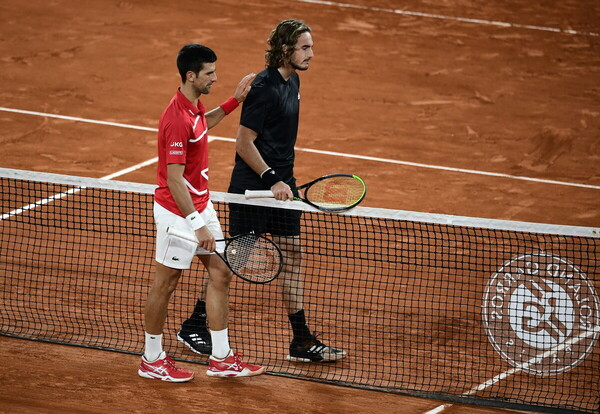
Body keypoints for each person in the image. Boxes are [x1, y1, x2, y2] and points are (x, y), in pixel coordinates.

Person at [177, 20, 346, 363]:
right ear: (285, 50)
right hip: (253, 190)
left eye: (310, 47)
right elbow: (243, 143)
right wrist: (272, 180)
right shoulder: (264, 87)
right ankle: (193, 325)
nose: (311, 54)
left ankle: (301, 340)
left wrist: (284, 181)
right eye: (304, 47)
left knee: (293, 254)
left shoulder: (292, 80)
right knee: (233, 262)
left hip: (284, 187)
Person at [138, 43, 265, 382]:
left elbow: (201, 126)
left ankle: (221, 357)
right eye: (209, 73)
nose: (215, 77)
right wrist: (197, 225)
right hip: (177, 212)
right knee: (165, 285)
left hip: (200, 204)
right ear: (191, 75)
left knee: (221, 274)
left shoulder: (191, 107)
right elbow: (175, 179)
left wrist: (234, 101)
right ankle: (151, 358)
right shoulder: (175, 119)